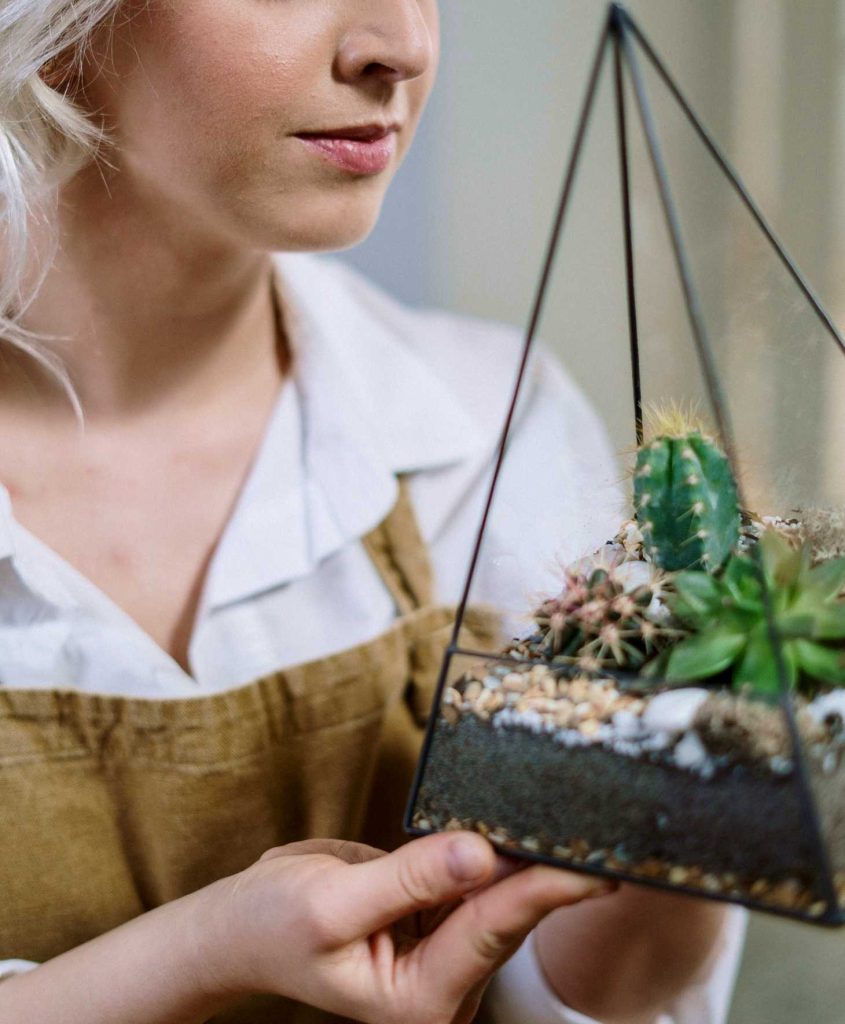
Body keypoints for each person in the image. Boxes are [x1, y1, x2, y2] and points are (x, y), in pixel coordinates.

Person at [0, 1, 747, 1022]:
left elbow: (584, 989)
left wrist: (697, 830)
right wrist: (207, 950)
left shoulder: (493, 425)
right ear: (59, 29)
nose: (401, 44)